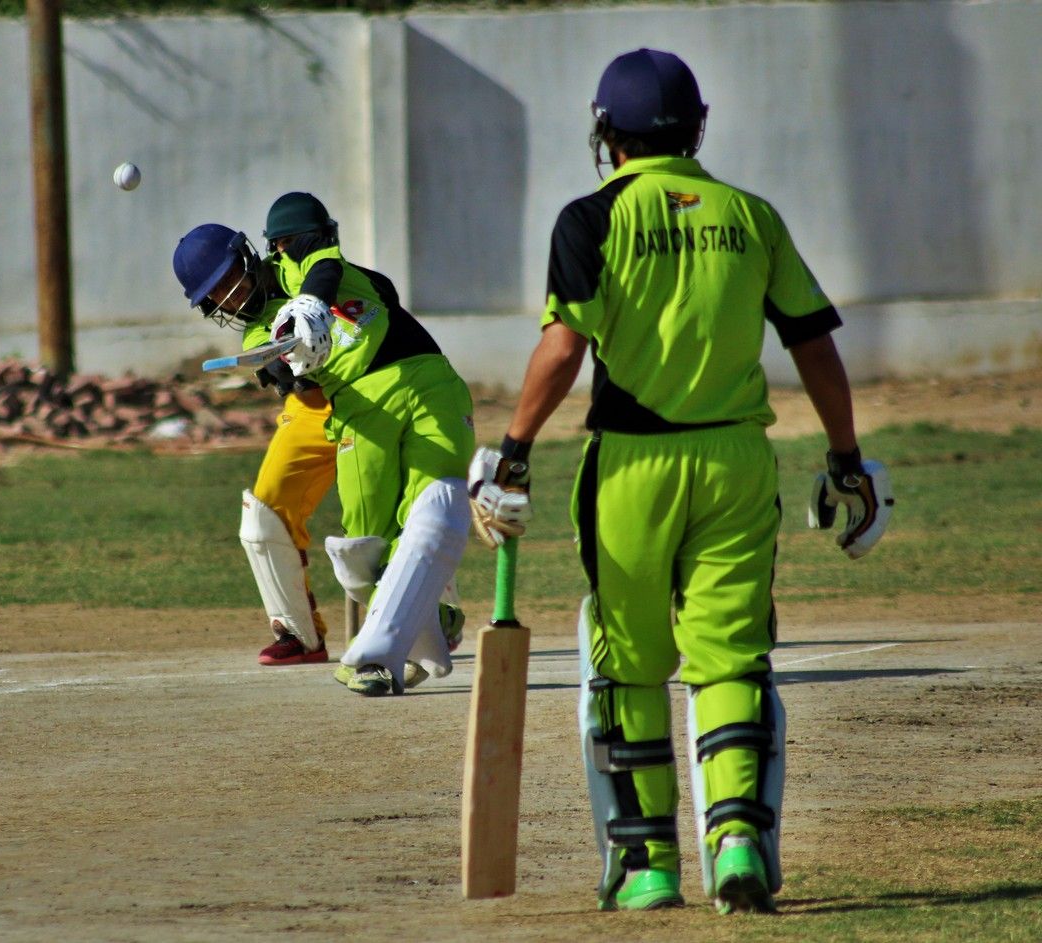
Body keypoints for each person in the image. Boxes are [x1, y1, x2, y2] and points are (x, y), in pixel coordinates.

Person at [467, 49, 893, 915]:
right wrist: (846, 459)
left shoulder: (590, 219)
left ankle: (648, 864)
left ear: (606, 133)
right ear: (697, 127)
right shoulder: (751, 216)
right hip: (736, 462)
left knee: (629, 664)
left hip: (631, 466)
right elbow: (814, 345)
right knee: (731, 655)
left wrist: (511, 450)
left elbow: (563, 346)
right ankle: (736, 841)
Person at [262, 191, 474, 697]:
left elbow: (324, 270)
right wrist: (284, 368)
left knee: (429, 515)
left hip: (432, 385)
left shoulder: (321, 271)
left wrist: (310, 304)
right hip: (361, 409)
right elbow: (293, 376)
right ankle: (431, 618)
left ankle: (378, 658)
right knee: (363, 550)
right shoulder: (269, 312)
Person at [172, 223, 336, 666]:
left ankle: (432, 615)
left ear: (246, 258)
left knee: (391, 511)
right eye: (215, 291)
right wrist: (286, 363)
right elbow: (294, 377)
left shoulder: (295, 271)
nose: (229, 293)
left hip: (371, 395)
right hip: (314, 411)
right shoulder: (254, 334)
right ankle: (299, 634)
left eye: (229, 277)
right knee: (263, 517)